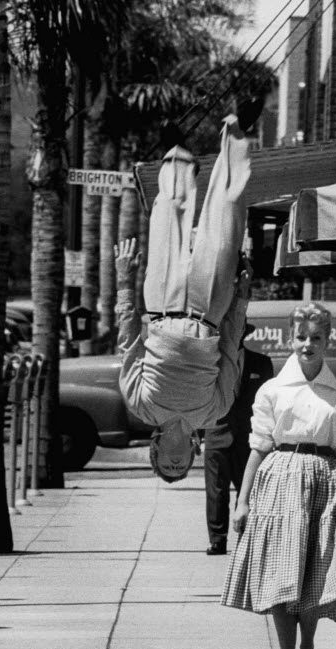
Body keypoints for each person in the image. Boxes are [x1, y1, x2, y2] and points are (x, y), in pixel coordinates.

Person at [221, 302, 336, 649]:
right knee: (280, 581)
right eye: (301, 337)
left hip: (324, 486)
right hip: (278, 484)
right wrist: (242, 501)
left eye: (316, 338)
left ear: (328, 340)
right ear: (291, 338)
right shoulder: (272, 391)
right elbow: (258, 447)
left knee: (313, 579)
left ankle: (307, 647)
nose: (308, 345)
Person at [115, 103, 262, 483]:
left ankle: (176, 154)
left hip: (161, 304)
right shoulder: (213, 413)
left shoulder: (140, 407)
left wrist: (122, 282)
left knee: (170, 212)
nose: (176, 463)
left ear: (156, 452)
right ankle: (237, 131)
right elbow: (231, 350)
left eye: (168, 465)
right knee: (227, 213)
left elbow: (128, 343)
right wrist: (241, 297)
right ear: (193, 456)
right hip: (208, 310)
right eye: (181, 468)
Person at [204, 334, 273, 555]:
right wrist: (193, 431)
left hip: (249, 437)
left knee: (248, 488)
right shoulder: (210, 362)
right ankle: (217, 539)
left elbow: (270, 402)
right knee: (216, 489)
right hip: (216, 432)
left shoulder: (261, 363)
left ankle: (245, 536)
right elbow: (200, 398)